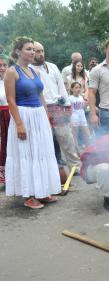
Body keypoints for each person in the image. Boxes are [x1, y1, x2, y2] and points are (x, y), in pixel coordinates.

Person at [4, 37, 60, 209]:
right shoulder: (12, 72)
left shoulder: (34, 72)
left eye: (34, 50)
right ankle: (29, 195)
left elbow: (40, 96)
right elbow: (10, 100)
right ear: (18, 51)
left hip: (38, 117)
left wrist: (47, 116)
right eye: (29, 49)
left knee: (41, 153)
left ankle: (42, 191)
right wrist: (19, 124)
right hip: (24, 116)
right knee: (27, 155)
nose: (33, 52)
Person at [32, 41, 81, 173]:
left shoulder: (52, 66)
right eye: (37, 51)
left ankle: (75, 168)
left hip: (58, 108)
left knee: (67, 139)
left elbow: (61, 88)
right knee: (45, 142)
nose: (41, 54)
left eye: (42, 51)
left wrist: (68, 105)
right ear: (31, 52)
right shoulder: (29, 69)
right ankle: (50, 172)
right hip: (41, 109)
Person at [69, 82, 91, 151]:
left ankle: (88, 149)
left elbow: (83, 108)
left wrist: (86, 104)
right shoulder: (70, 98)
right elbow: (69, 110)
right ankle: (77, 150)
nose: (78, 89)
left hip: (82, 117)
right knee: (75, 135)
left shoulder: (81, 98)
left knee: (87, 134)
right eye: (76, 87)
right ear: (72, 89)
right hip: (74, 118)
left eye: (79, 87)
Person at [0, 54, 10, 189]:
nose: (1, 68)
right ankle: (2, 177)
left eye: (4, 65)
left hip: (12, 115)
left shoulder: (12, 80)